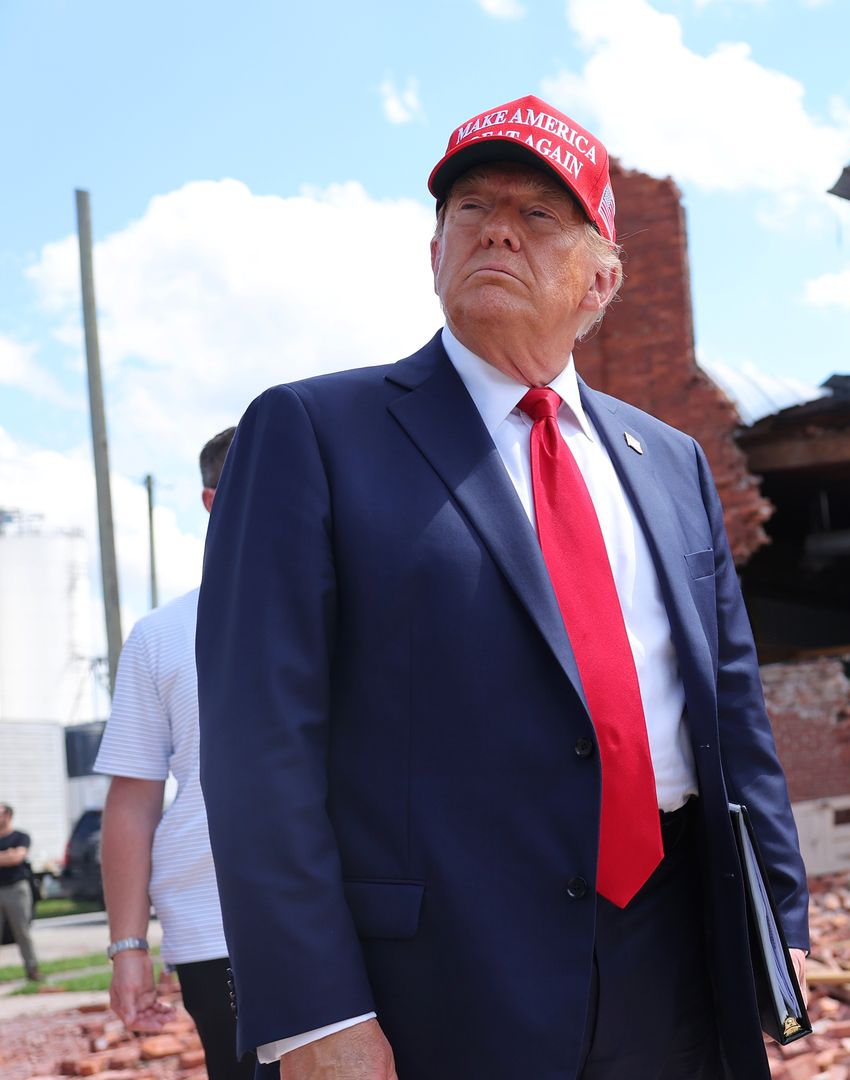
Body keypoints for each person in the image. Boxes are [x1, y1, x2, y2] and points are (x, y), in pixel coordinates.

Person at [198, 95, 808, 1080]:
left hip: (676, 957)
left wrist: (776, 921)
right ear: (433, 251)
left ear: (601, 278)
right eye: (471, 207)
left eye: (538, 216)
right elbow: (256, 746)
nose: (496, 229)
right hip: (441, 982)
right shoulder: (313, 436)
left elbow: (732, 712)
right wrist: (313, 1012)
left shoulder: (671, 462)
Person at [96, 427, 272, 1080]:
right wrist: (127, 948)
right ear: (212, 501)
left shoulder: (365, 608)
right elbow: (134, 800)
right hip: (218, 932)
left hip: (365, 918)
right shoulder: (160, 636)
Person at [0, 803, 38, 983]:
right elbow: (10, 857)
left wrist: (11, 856)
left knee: (22, 930)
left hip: (16, 888)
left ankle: (32, 968)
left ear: (8, 815)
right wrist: (6, 855)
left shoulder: (20, 836)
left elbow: (17, 857)